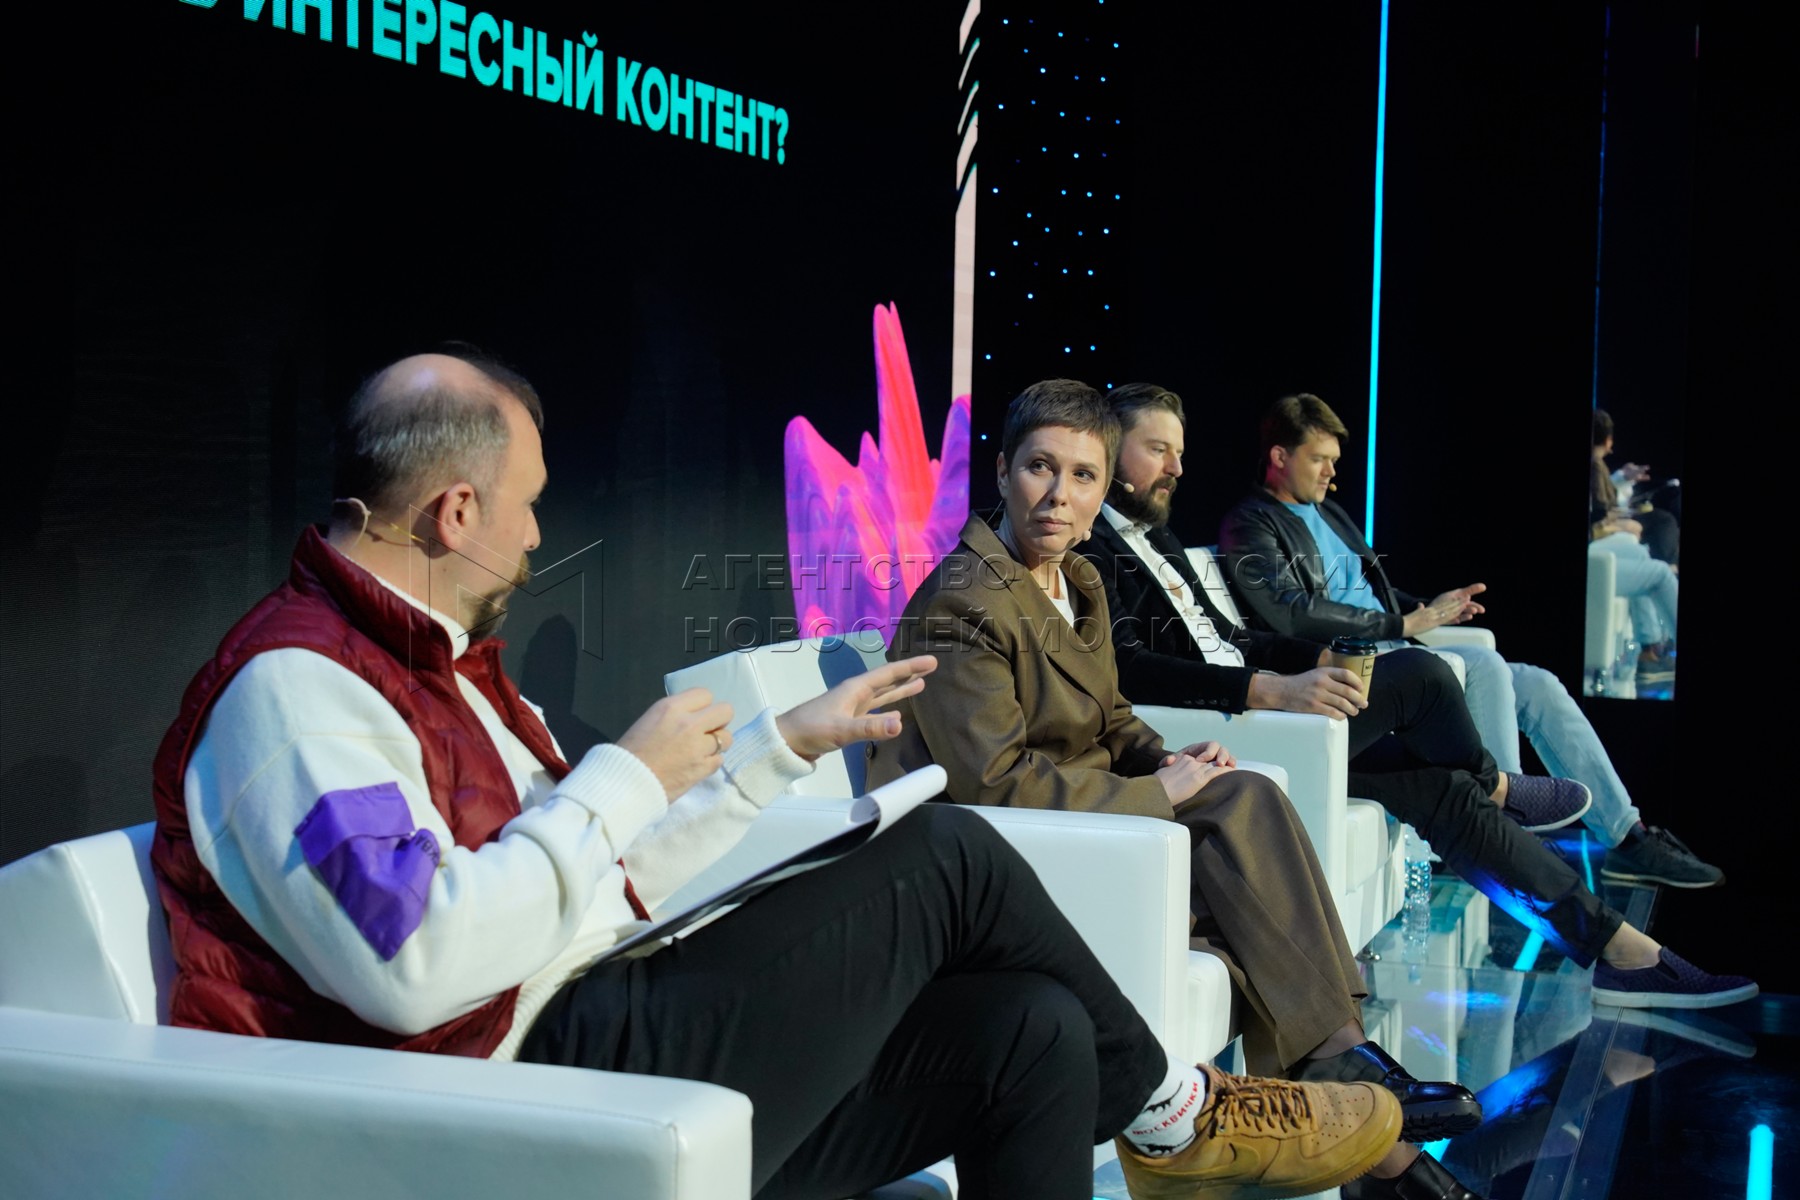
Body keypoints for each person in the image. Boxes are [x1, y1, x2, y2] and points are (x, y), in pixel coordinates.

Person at [150, 351, 1404, 1200]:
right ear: (456, 513)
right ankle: (1177, 1114)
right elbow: (417, 962)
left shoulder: (446, 667)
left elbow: (602, 878)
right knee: (948, 853)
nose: (537, 536)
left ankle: (1172, 1107)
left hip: (597, 1006)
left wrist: (774, 754)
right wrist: (619, 778)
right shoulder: (298, 690)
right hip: (524, 1076)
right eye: (528, 506)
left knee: (1034, 1028)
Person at [869, 380, 1485, 1200]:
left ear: (1102, 488)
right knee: (1238, 838)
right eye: (1040, 468)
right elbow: (995, 784)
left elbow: (1112, 716)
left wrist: (1166, 758)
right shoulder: (962, 600)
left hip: (1090, 822)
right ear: (1003, 471)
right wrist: (1161, 794)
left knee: (1245, 794)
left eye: (1082, 476)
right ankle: (1360, 1113)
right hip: (1000, 855)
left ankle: (1350, 1090)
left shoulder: (1077, 578)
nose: (1058, 495)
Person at [1219, 393, 1720, 890]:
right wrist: (1402, 626)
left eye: (1334, 460)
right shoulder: (1249, 523)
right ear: (1280, 456)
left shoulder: (1328, 513)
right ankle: (1505, 836)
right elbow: (1290, 612)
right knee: (1484, 663)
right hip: (1355, 670)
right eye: (1319, 459)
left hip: (1398, 653)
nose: (1331, 472)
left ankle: (1628, 837)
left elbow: (1374, 593)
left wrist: (1428, 607)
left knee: (1538, 684)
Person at [1080, 382, 1590, 836]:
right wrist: (1276, 685)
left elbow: (1229, 632)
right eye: (1159, 450)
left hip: (1271, 682)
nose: (1177, 468)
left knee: (1452, 772)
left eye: (1178, 452)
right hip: (1231, 713)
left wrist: (1391, 622)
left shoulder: (1164, 534)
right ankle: (1497, 785)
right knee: (1426, 673)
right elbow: (1282, 613)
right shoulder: (1240, 525)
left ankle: (1603, 889)